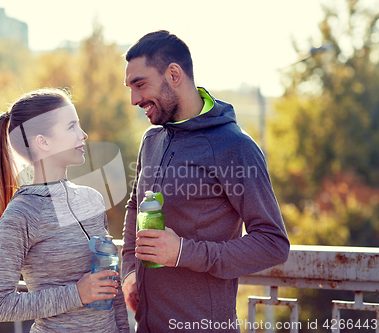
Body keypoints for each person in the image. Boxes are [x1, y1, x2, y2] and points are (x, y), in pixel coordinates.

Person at [121, 30, 290, 332]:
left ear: (174, 74)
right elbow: (136, 205)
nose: (134, 99)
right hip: (146, 324)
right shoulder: (151, 139)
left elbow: (273, 244)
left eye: (140, 84)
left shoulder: (234, 147)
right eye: (130, 88)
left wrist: (184, 252)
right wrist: (129, 271)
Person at [0, 88, 130, 332]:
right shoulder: (22, 213)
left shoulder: (91, 200)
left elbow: (111, 287)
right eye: (71, 127)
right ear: (44, 141)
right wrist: (77, 293)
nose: (83, 135)